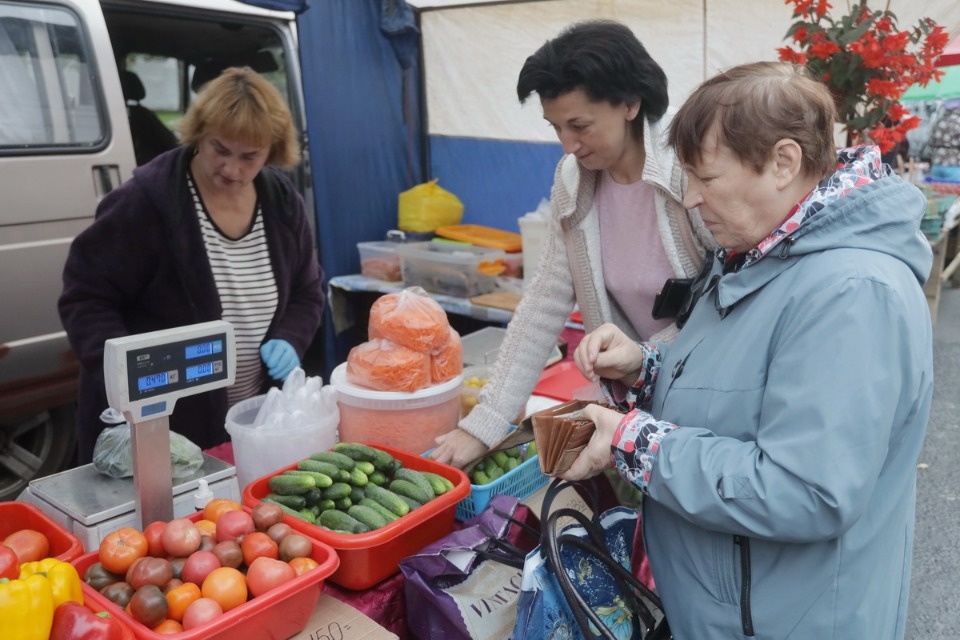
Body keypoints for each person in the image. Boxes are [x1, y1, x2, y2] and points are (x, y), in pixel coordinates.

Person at [564, 61, 934, 639]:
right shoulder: (763, 251)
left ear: (783, 163)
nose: (690, 199)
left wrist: (631, 440)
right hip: (732, 604)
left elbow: (807, 490)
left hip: (788, 619)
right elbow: (749, 384)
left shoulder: (852, 293)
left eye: (705, 178)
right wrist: (647, 365)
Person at [430, 20, 713, 468]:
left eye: (579, 125)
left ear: (630, 104)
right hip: (630, 405)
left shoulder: (689, 170)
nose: (568, 144)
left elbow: (733, 300)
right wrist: (484, 425)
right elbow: (544, 302)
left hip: (706, 400)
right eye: (555, 126)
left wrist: (647, 356)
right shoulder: (573, 180)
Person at [59, 66, 325, 463]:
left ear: (272, 151)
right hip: (159, 426)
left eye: (249, 156)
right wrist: (127, 381)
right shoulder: (146, 203)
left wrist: (291, 337)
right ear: (200, 133)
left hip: (249, 421)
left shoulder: (282, 202)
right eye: (220, 149)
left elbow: (308, 291)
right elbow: (86, 299)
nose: (231, 169)